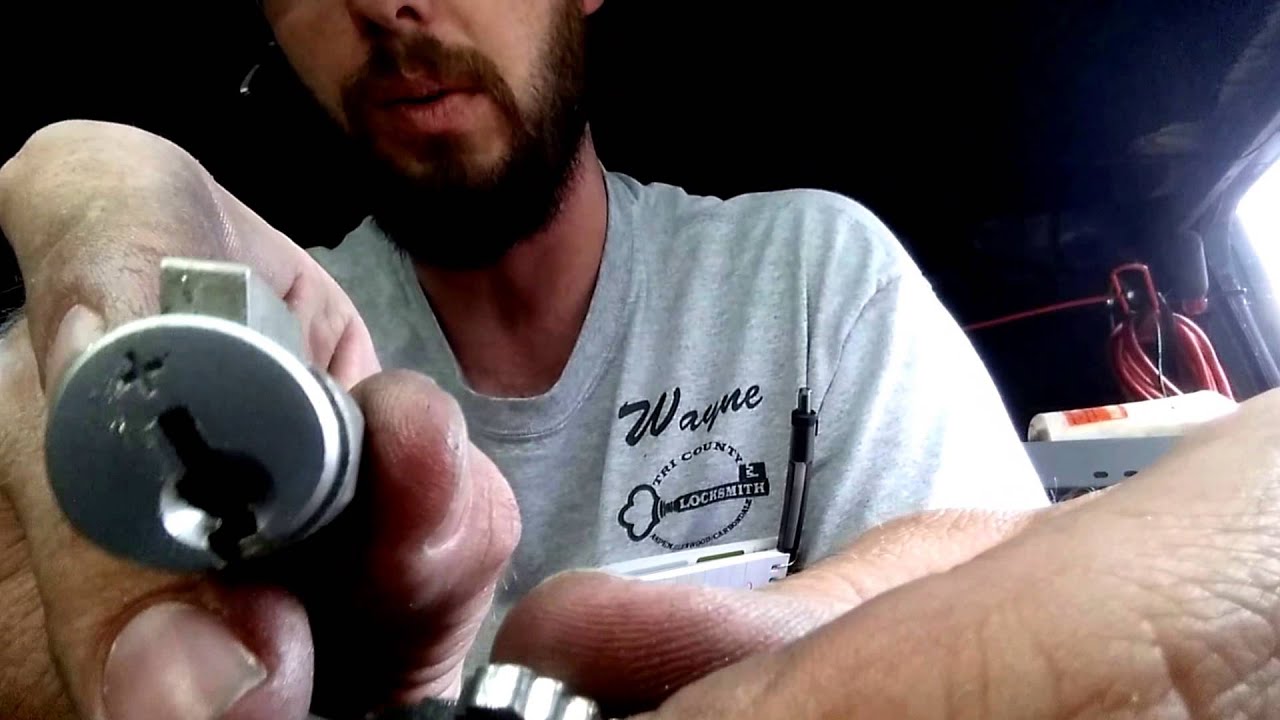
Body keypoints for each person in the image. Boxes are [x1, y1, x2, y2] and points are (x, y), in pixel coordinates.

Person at [0, 0, 1051, 718]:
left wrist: (834, 630)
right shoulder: (274, 351)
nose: (386, 6)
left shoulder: (815, 273)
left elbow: (1002, 559)